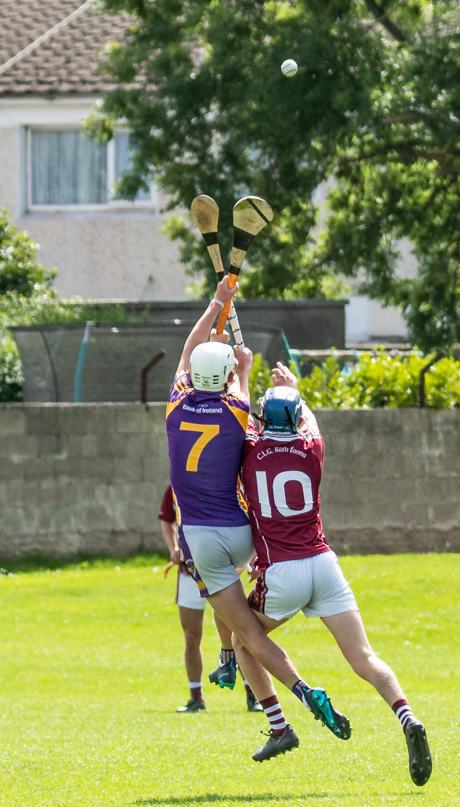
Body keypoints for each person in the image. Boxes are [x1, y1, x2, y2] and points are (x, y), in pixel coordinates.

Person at [166, 276, 350, 762]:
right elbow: (236, 374)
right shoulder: (238, 409)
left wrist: (216, 305)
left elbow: (188, 352)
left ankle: (297, 691)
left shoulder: (175, 406)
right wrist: (242, 362)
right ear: (228, 376)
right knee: (243, 611)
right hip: (244, 532)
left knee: (243, 626)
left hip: (202, 539)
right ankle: (243, 680)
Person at [234, 362, 433, 785]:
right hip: (324, 564)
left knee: (243, 639)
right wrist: (294, 389)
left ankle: (279, 724)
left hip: (282, 571)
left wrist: (244, 373)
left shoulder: (249, 452)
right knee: (364, 657)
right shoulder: (311, 449)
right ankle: (407, 717)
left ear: (264, 419)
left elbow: (243, 414)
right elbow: (309, 419)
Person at [158, 482, 262, 712]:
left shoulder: (227, 481)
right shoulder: (177, 483)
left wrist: (245, 558)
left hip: (223, 569)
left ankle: (253, 695)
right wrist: (173, 547)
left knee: (240, 632)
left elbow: (249, 516)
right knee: (191, 634)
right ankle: (196, 698)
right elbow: (167, 518)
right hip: (189, 569)